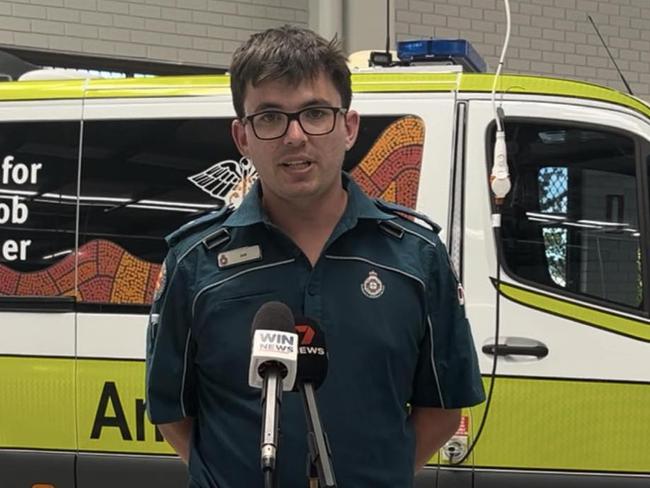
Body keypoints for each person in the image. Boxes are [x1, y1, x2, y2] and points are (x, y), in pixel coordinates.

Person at [146, 25, 485, 488]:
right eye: (269, 118)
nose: (294, 136)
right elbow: (173, 415)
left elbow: (443, 410)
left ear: (348, 127)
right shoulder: (195, 264)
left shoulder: (416, 259)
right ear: (242, 137)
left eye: (315, 113)